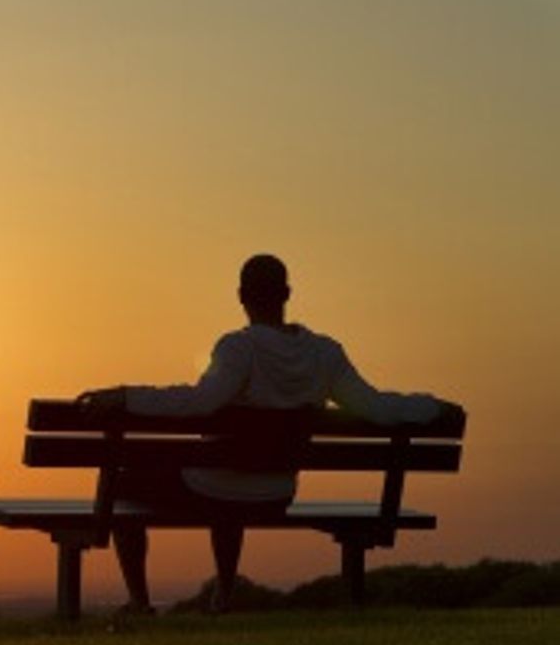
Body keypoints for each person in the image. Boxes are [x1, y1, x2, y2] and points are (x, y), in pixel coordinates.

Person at [78, 254, 460, 614]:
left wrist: (124, 396)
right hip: (276, 493)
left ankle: (140, 603)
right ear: (287, 294)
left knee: (126, 486)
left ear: (241, 296)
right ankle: (223, 596)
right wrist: (432, 407)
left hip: (213, 488)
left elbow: (198, 401)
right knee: (231, 478)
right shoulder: (325, 354)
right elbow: (377, 407)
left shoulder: (239, 347)